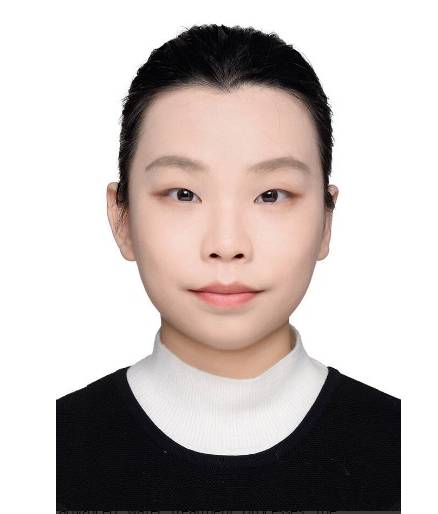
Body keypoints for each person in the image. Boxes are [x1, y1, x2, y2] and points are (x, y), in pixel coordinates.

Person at [56, 23, 400, 511]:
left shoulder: (409, 452)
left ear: (326, 221)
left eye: (271, 195)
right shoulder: (42, 452)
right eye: (183, 194)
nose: (226, 245)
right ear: (121, 218)